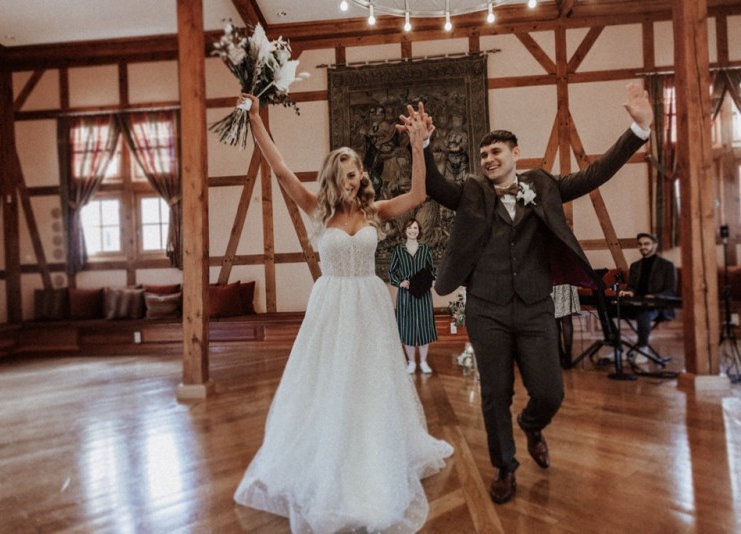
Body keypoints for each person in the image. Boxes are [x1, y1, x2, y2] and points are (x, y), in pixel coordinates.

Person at [419, 81, 654, 504]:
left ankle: (531, 425)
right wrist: (422, 145)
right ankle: (504, 467)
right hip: (486, 309)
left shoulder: (543, 185)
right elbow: (435, 186)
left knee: (550, 392)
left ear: (516, 153)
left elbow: (594, 174)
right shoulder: (472, 192)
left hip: (534, 309)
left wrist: (638, 131)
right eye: (483, 155)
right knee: (495, 394)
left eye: (496, 152)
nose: (488, 159)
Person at [233, 93, 453, 533]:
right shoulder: (317, 207)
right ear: (336, 176)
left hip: (369, 302)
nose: (358, 178)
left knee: (370, 378)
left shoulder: (375, 210)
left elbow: (419, 194)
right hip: (332, 304)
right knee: (331, 378)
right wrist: (256, 119)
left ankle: (372, 451)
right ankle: (328, 451)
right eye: (351, 173)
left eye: (360, 172)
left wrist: (418, 146)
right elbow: (280, 168)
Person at [389, 218, 438, 374]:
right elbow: (392, 272)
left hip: (423, 294)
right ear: (405, 231)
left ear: (419, 231)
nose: (412, 231)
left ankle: (423, 362)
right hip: (406, 295)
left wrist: (431, 280)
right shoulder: (399, 250)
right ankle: (411, 362)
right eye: (410, 228)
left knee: (424, 326)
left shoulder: (425, 250)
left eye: (415, 228)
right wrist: (400, 282)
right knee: (408, 328)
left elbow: (432, 270)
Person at [619, 232, 677, 352]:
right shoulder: (635, 266)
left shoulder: (667, 266)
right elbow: (631, 287)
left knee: (644, 314)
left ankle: (642, 348)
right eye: (640, 244)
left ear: (655, 245)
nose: (642, 247)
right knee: (608, 310)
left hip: (658, 306)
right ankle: (618, 348)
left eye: (646, 244)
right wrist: (629, 292)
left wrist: (654, 296)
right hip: (636, 304)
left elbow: (671, 291)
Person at [552, 284, 581, 369]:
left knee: (554, 321)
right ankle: (568, 356)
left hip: (551, 283)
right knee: (566, 321)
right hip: (565, 283)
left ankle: (559, 354)